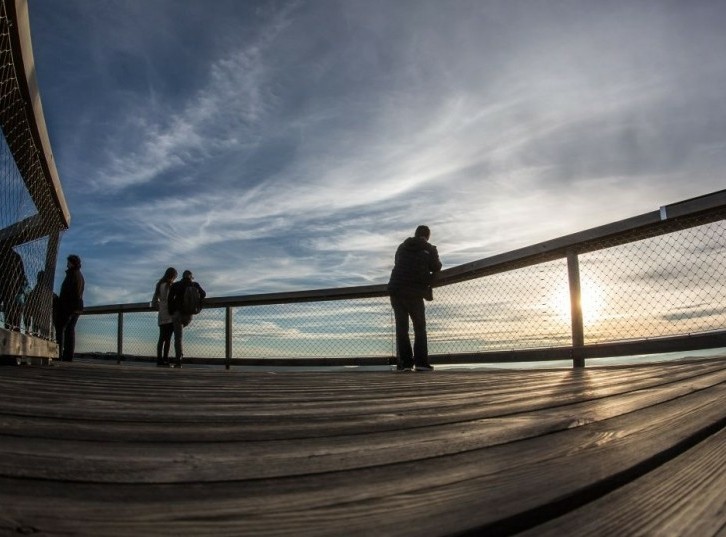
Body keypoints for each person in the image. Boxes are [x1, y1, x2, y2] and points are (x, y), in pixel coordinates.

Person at [387, 225, 442, 372]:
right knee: (419, 328)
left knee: (402, 328)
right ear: (428, 236)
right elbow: (436, 266)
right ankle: (421, 363)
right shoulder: (430, 248)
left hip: (396, 291)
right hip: (415, 292)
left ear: (416, 234)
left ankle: (405, 364)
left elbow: (397, 262)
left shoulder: (402, 247)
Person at [167, 270, 206, 368]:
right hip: (188, 315)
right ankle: (179, 359)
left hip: (178, 314)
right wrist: (198, 305)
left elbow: (170, 299)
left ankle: (178, 361)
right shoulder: (195, 284)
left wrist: (171, 311)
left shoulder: (176, 285)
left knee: (178, 338)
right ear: (191, 277)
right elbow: (203, 294)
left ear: (182, 276)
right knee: (180, 334)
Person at [57, 254, 85, 362]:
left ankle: (59, 354)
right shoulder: (80, 275)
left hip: (69, 306)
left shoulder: (72, 274)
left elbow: (67, 292)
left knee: (61, 329)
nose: (67, 264)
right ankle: (68, 356)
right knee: (70, 330)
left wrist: (61, 301)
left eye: (68, 262)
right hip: (77, 306)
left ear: (72, 263)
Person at [152, 267, 177, 367]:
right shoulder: (170, 285)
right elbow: (172, 299)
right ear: (172, 276)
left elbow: (154, 300)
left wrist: (159, 307)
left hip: (162, 313)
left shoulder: (159, 285)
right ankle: (165, 360)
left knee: (161, 338)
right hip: (170, 313)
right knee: (168, 339)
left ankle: (159, 360)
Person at [0, 242, 28, 331]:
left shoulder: (2, 256)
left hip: (5, 290)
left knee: (8, 318)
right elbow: (22, 276)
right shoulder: (17, 256)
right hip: (15, 291)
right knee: (16, 319)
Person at [26, 270, 54, 338]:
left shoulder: (34, 291)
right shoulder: (47, 292)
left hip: (36, 313)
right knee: (43, 334)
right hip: (44, 315)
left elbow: (29, 303)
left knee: (35, 330)